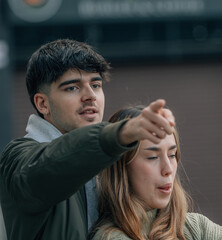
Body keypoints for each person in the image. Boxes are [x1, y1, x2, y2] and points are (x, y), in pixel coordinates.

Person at [0, 39, 175, 240]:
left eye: (96, 85)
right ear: (42, 104)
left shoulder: (107, 158)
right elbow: (54, 163)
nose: (90, 96)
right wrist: (120, 133)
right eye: (72, 88)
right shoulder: (18, 158)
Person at [89, 106, 222, 240]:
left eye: (172, 155)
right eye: (153, 157)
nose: (168, 169)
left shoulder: (197, 227)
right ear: (122, 168)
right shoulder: (110, 237)